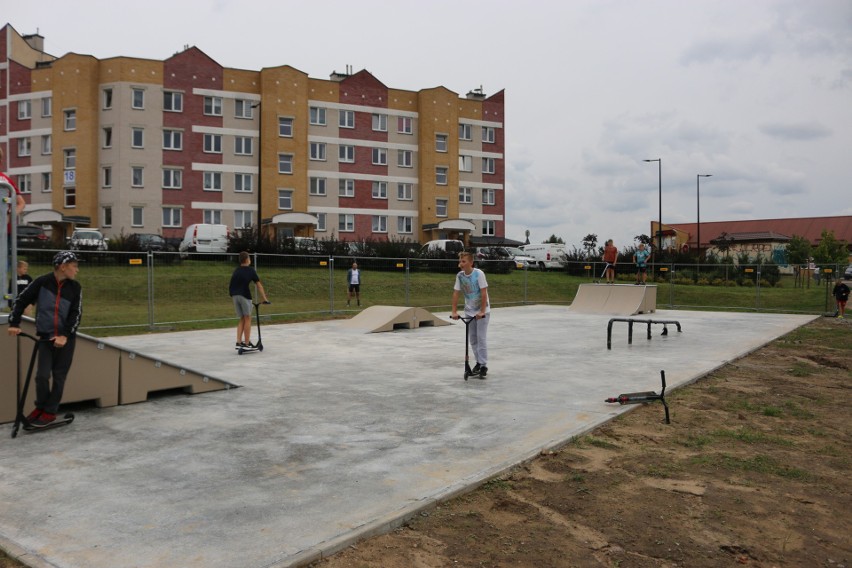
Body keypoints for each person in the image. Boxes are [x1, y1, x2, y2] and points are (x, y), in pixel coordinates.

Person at [7, 251, 82, 428]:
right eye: (74, 266)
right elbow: (20, 300)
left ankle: (49, 411)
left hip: (66, 340)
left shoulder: (75, 287)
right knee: (41, 376)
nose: (77, 270)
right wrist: (14, 322)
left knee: (58, 377)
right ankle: (40, 408)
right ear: (63, 267)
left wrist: (64, 335)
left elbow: (76, 314)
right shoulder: (42, 282)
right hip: (46, 338)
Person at [451, 251, 490, 378]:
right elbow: (456, 293)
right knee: (473, 339)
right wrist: (454, 311)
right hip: (469, 311)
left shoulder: (479, 274)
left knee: (481, 338)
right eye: (460, 261)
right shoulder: (460, 276)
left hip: (482, 311)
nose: (461, 264)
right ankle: (479, 362)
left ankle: (483, 365)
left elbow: (484, 293)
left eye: (464, 261)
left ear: (471, 263)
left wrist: (482, 311)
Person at [229, 251, 269, 348]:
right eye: (250, 258)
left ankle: (238, 342)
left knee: (242, 318)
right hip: (244, 295)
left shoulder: (236, 270)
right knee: (248, 318)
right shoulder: (250, 270)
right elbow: (259, 285)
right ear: (247, 260)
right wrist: (265, 299)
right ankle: (247, 343)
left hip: (234, 295)